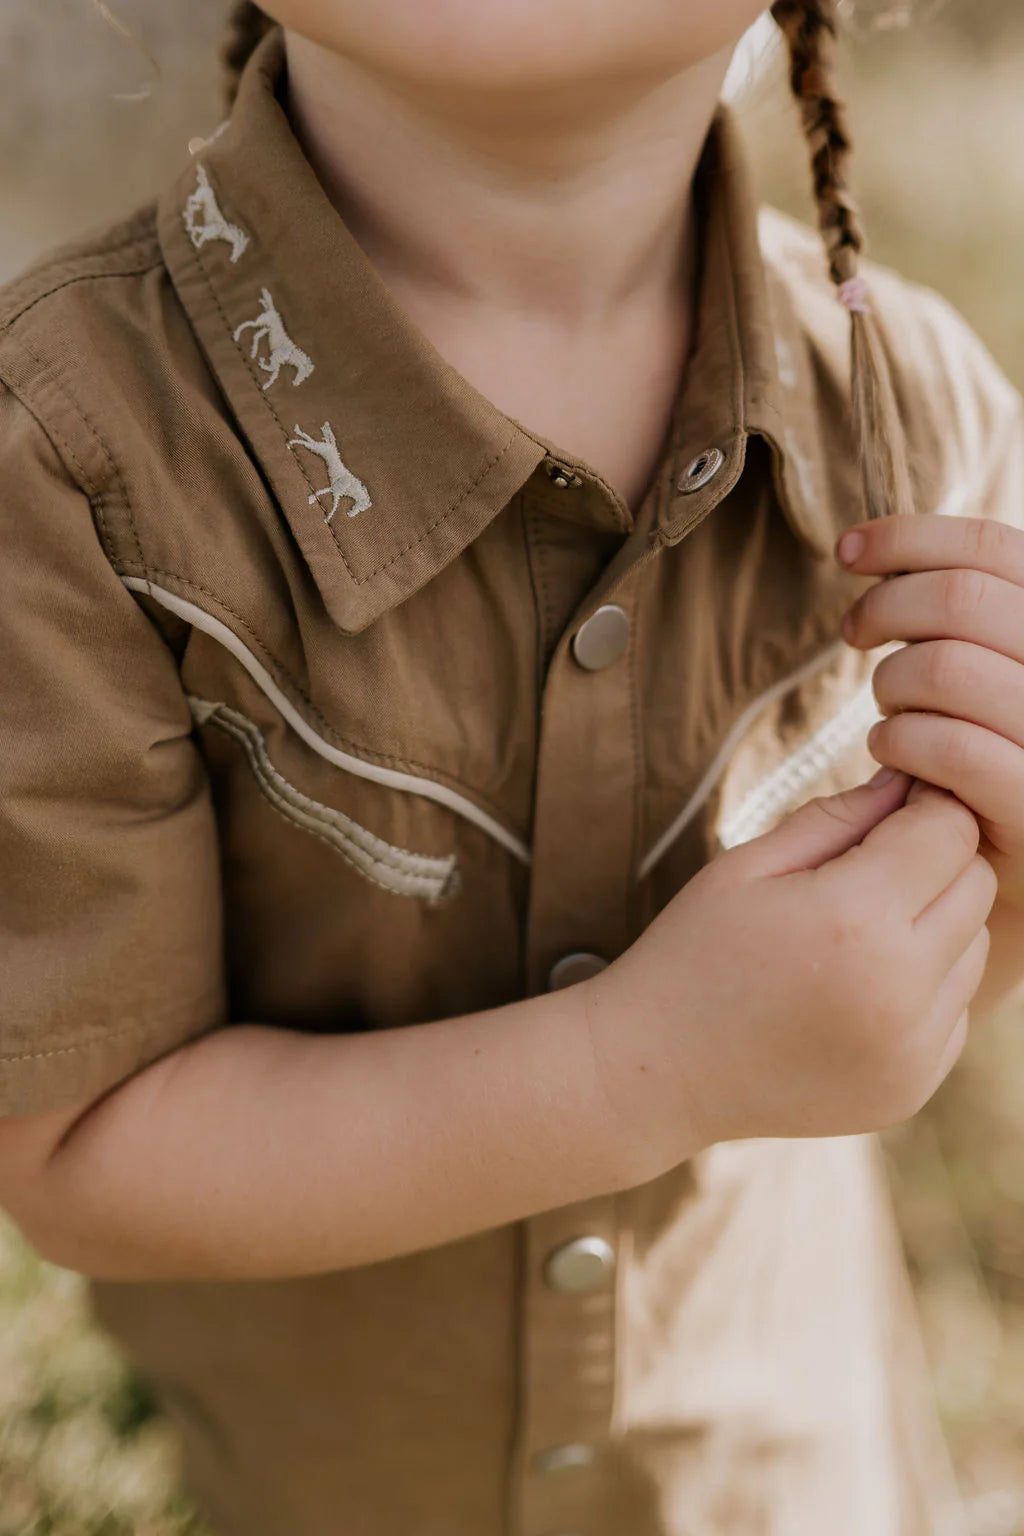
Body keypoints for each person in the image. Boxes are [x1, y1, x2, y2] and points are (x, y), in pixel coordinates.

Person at [1, 1, 1023, 1532]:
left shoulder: (921, 416)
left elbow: (935, 968)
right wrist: (651, 1062)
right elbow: (78, 1143)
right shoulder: (67, 463)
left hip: (787, 1485)